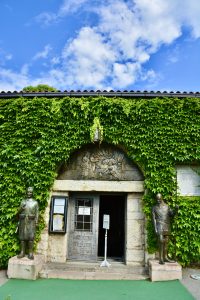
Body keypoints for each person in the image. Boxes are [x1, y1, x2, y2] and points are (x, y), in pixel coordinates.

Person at [152, 193, 178, 264]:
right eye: (157, 199)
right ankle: (161, 258)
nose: (158, 200)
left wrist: (176, 209)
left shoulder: (167, 206)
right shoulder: (154, 208)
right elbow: (153, 219)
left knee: (166, 242)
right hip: (159, 226)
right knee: (160, 241)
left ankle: (165, 257)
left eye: (159, 199)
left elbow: (171, 214)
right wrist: (155, 229)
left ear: (161, 198)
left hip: (167, 226)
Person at [17, 187, 39, 260]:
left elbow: (37, 213)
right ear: (26, 193)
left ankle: (30, 253)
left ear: (32, 193)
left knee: (31, 238)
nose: (29, 193)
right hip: (23, 221)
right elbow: (17, 213)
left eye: (30, 192)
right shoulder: (23, 202)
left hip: (31, 222)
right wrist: (21, 209)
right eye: (28, 192)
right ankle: (22, 252)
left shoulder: (35, 203)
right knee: (22, 238)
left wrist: (36, 222)